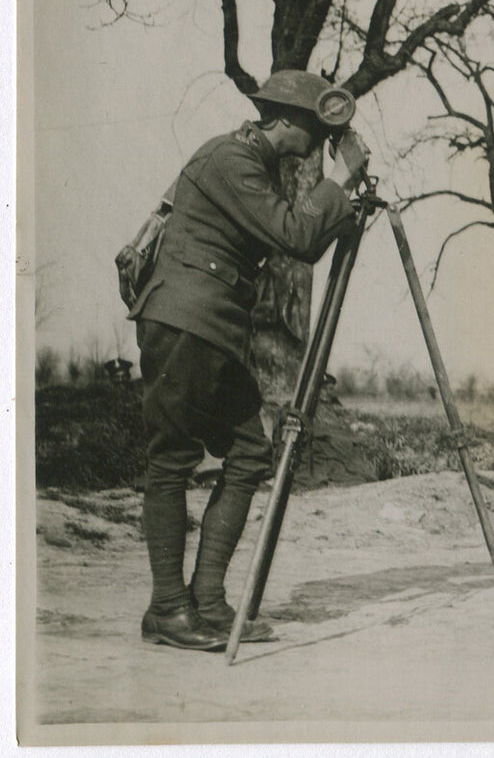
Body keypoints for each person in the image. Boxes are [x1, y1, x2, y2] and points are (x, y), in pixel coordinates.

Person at [127, 70, 370, 650]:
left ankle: (207, 601)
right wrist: (342, 178)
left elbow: (299, 228)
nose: (316, 142)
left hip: (211, 330)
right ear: (284, 120)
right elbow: (299, 237)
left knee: (249, 452)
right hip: (186, 321)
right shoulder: (231, 160)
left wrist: (339, 191)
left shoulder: (254, 168)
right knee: (173, 458)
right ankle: (166, 608)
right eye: (313, 128)